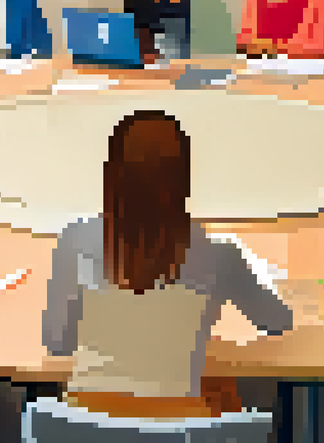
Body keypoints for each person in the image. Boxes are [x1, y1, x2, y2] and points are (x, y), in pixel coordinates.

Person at [42, 111, 293, 417]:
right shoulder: (219, 257)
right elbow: (278, 323)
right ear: (184, 180)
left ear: (111, 175)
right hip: (178, 429)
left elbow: (57, 343)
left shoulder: (75, 242)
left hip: (84, 429)